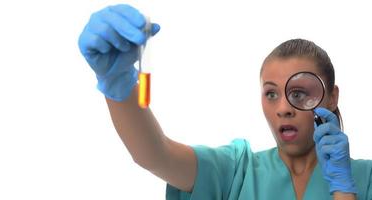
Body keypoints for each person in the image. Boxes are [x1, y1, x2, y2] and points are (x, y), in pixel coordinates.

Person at [78, 4, 372, 200]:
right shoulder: (236, 170)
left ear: (331, 96)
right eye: (271, 93)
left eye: (299, 93)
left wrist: (344, 191)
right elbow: (156, 155)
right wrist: (120, 88)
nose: (283, 107)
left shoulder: (366, 178)